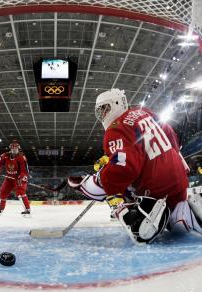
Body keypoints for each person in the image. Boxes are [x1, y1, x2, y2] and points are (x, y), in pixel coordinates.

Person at [68, 88, 202, 244]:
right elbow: (171, 136)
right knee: (174, 211)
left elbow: (124, 168)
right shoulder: (145, 112)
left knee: (111, 186)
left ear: (117, 103)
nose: (103, 115)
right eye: (101, 111)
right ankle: (182, 215)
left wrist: (103, 185)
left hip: (155, 187)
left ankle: (148, 213)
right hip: (179, 180)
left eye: (105, 109)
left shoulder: (116, 128)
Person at [0, 140, 31, 216]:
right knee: (3, 192)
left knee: (20, 192)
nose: (14, 150)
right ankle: (0, 209)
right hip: (9, 178)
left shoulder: (21, 157)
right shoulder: (5, 156)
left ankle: (27, 210)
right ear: (10, 149)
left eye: (15, 149)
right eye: (12, 148)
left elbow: (25, 170)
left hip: (19, 178)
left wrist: (22, 176)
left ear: (18, 149)